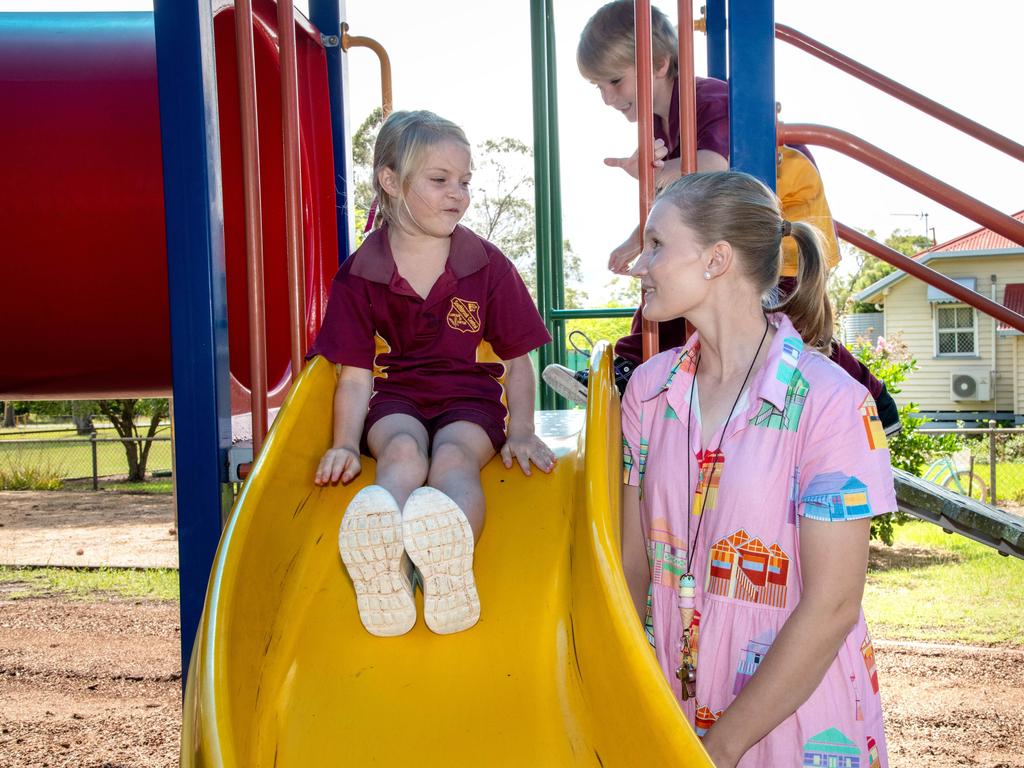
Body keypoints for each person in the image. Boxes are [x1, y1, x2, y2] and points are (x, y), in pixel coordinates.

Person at [621, 170, 894, 766]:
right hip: (670, 705)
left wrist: (716, 750)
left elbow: (832, 607)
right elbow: (632, 561)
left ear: (717, 259)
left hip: (791, 723)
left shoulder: (832, 403)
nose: (639, 264)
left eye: (657, 244)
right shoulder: (647, 390)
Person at [543, 0, 900, 435]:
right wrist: (639, 239)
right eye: (598, 86)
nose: (607, 98)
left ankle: (874, 398)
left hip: (780, 215)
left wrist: (654, 172)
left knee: (788, 324)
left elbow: (712, 167)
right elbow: (677, 201)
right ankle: (631, 367)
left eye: (614, 82)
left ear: (658, 64)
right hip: (731, 222)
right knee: (670, 275)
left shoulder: (706, 98)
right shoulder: (660, 120)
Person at [309, 110, 555, 637]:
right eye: (440, 181)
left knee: (453, 459)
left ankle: (449, 568)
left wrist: (523, 431)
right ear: (391, 181)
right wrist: (346, 446)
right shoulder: (360, 273)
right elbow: (354, 376)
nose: (458, 194)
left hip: (470, 399)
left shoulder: (485, 264)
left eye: (464, 182)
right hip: (396, 397)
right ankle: (388, 570)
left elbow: (517, 361)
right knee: (400, 453)